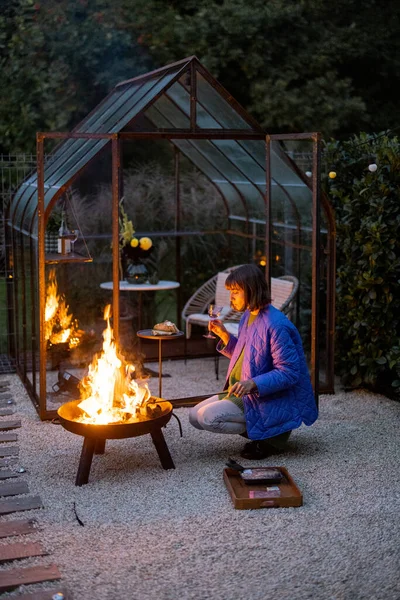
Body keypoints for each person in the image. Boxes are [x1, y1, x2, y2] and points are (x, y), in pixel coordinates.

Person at [189, 264, 318, 460]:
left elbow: (290, 372)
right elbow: (248, 357)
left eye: (236, 291)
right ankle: (262, 431)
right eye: (230, 291)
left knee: (208, 418)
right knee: (194, 416)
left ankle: (271, 436)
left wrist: (253, 383)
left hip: (264, 397)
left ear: (251, 290)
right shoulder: (249, 315)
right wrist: (225, 336)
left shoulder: (276, 325)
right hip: (242, 391)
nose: (231, 297)